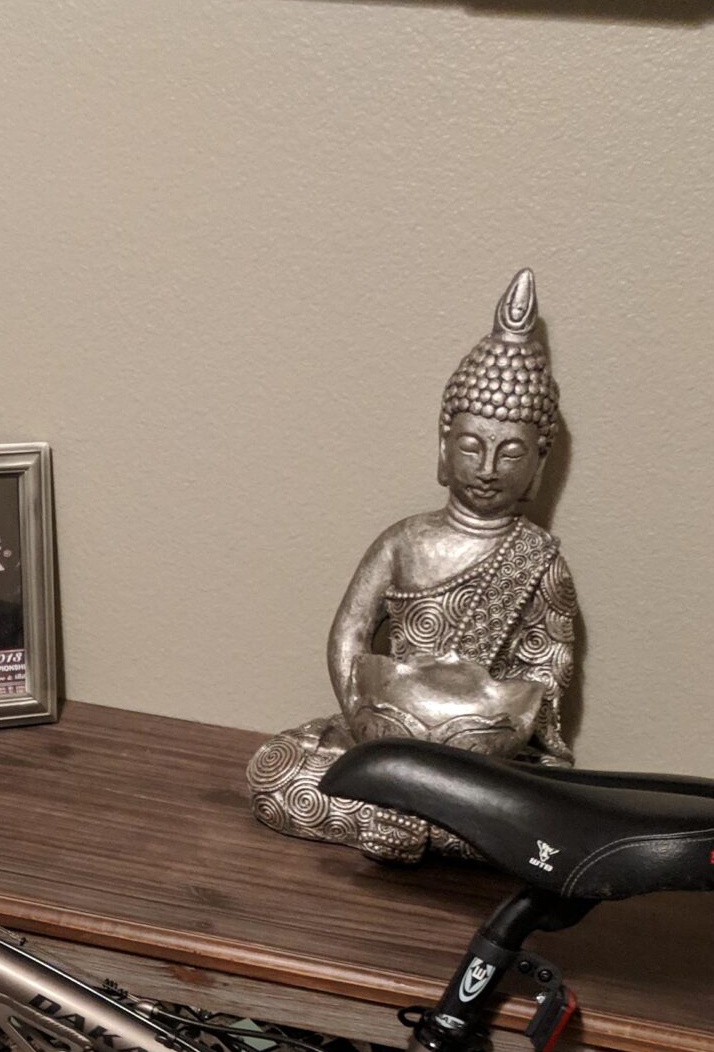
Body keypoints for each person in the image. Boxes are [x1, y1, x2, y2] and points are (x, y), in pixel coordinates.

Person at [247, 270, 579, 862]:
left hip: (484, 758)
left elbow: (548, 669)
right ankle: (430, 828)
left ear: (539, 463)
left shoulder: (539, 561)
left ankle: (407, 823)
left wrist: (500, 721)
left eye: (511, 453)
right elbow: (349, 633)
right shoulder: (404, 540)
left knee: (549, 819)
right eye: (472, 446)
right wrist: (364, 721)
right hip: (388, 735)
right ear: (443, 447)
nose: (487, 468)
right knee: (277, 768)